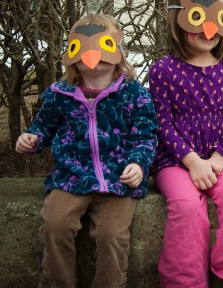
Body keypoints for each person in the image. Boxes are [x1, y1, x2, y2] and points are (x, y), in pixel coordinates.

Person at [15, 14, 158, 287]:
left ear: (119, 52)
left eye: (104, 46)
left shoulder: (135, 94)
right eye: (82, 48)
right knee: (55, 225)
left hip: (118, 181)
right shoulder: (59, 94)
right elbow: (43, 126)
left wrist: (138, 164)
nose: (94, 57)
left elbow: (146, 135)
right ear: (70, 53)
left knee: (112, 236)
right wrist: (32, 138)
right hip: (71, 177)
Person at [148, 0, 223, 288]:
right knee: (185, 204)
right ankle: (184, 281)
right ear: (178, 21)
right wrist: (192, 160)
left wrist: (220, 157)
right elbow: (162, 123)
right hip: (174, 159)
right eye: (198, 19)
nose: (209, 28)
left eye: (217, 19)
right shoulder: (163, 70)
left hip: (220, 157)